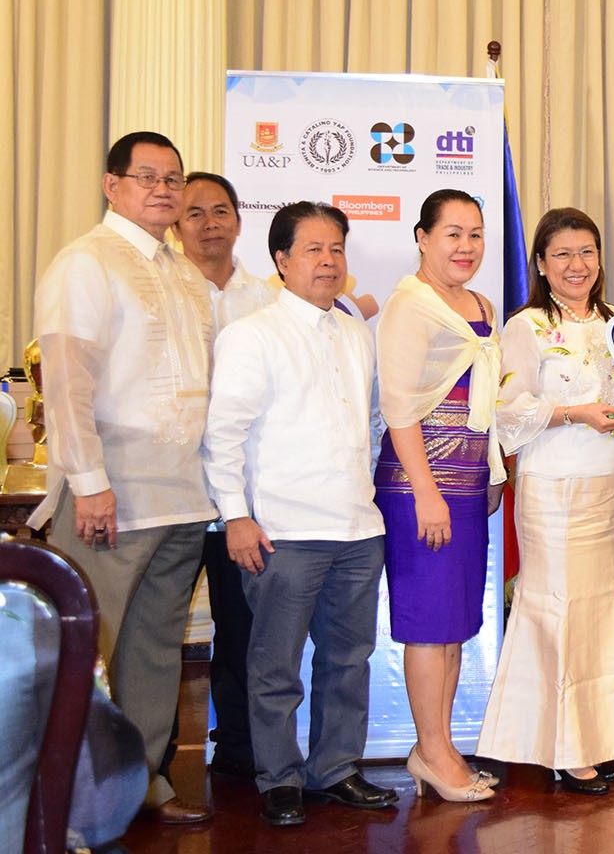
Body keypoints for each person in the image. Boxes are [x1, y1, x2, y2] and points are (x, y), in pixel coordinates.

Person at [34, 131, 217, 824]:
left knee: (152, 651)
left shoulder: (181, 270)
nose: (164, 189)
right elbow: (67, 384)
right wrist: (89, 483)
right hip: (113, 494)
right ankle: (68, 797)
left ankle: (139, 785)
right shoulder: (85, 263)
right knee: (87, 650)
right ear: (112, 185)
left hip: (182, 494)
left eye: (173, 178)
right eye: (147, 177)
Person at [203, 202, 396, 827]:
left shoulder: (354, 332)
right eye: (312, 249)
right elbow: (223, 435)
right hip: (283, 533)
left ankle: (335, 768)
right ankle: (279, 778)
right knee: (275, 667)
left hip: (357, 530)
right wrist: (236, 516)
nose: (328, 260)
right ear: (281, 262)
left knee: (348, 660)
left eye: (336, 248)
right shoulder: (251, 336)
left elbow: (369, 424)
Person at [476, 207, 614, 795]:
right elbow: (508, 410)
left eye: (587, 252)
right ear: (542, 265)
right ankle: (562, 750)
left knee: (599, 611)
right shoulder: (525, 328)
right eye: (563, 255)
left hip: (609, 482)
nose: (577, 265)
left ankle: (598, 738)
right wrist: (576, 413)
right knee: (554, 610)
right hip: (552, 487)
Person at [375, 189, 504, 803]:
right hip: (419, 486)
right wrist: (426, 492)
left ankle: (439, 747)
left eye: (475, 234)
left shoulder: (481, 302)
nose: (466, 246)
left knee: (454, 622)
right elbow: (398, 408)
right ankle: (431, 751)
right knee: (428, 624)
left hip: (469, 482)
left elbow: (487, 402)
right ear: (422, 237)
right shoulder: (410, 305)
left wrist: (494, 473)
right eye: (452, 233)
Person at [174, 172, 275, 779]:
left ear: (239, 219)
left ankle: (238, 752)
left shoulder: (266, 299)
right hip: (173, 492)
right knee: (156, 636)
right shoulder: (161, 291)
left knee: (243, 632)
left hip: (243, 500)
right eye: (194, 213)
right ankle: (148, 764)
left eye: (220, 211)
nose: (209, 223)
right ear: (176, 224)